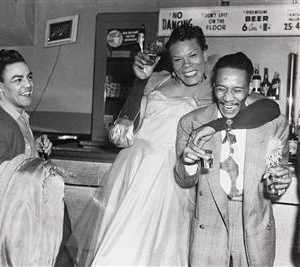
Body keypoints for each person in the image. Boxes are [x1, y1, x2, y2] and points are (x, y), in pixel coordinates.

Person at [72, 24, 282, 266]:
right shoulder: (157, 81)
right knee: (120, 250)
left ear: (205, 53)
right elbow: (121, 134)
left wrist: (215, 125)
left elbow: (269, 108)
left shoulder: (217, 90)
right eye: (178, 59)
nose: (187, 65)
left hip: (174, 179)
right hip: (134, 172)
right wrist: (140, 82)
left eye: (193, 55)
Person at [174, 52, 291, 266]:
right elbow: (184, 180)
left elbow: (276, 174)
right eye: (221, 89)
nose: (228, 98)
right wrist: (188, 163)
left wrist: (280, 182)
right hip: (209, 221)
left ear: (249, 88)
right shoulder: (191, 122)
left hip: (254, 223)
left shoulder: (274, 123)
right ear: (213, 87)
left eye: (237, 90)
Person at [0, 49, 74, 266]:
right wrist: (37, 166)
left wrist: (37, 154)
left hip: (28, 229)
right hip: (9, 238)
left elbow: (17, 162)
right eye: (17, 80)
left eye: (29, 77)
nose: (28, 84)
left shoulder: (15, 118)